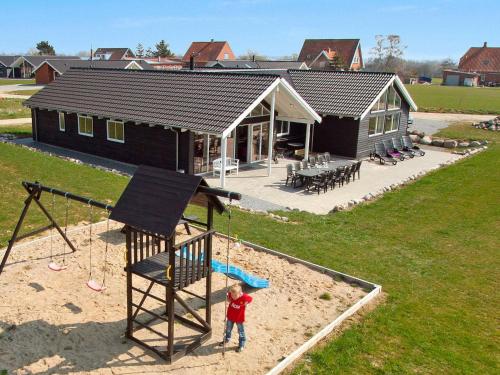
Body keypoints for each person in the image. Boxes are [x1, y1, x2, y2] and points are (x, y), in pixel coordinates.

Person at [220, 283, 252, 352]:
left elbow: (250, 299)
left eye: (235, 295)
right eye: (232, 295)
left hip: (239, 319)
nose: (233, 297)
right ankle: (226, 339)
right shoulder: (231, 295)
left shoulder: (244, 297)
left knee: (241, 332)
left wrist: (246, 303)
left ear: (240, 293)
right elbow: (228, 294)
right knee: (228, 329)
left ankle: (241, 345)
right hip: (230, 316)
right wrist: (228, 297)